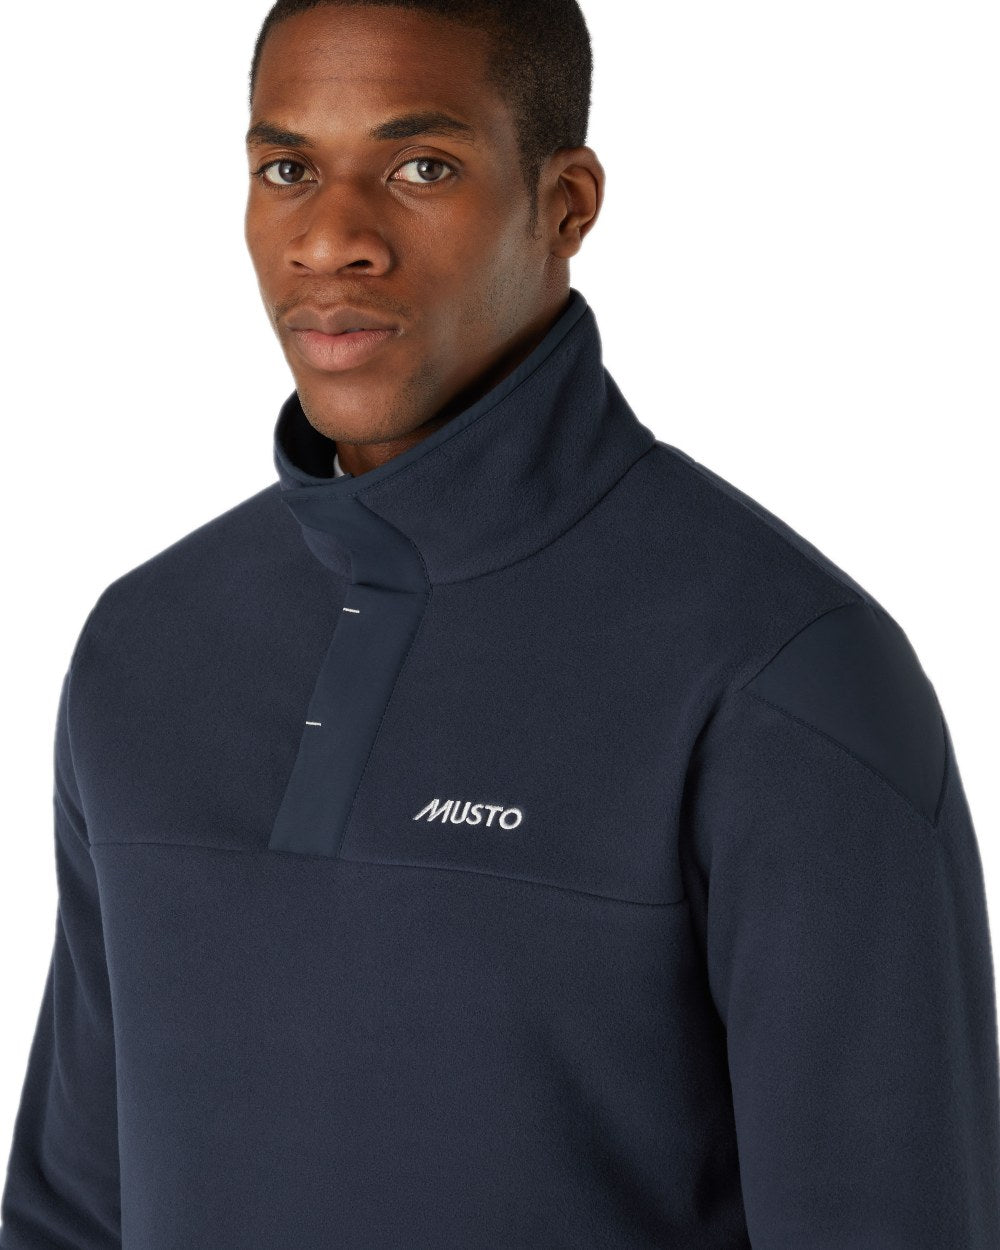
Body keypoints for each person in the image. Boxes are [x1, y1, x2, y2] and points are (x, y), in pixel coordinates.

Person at [1, 1, 998, 1246]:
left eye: (422, 167)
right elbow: (71, 1209)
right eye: (288, 170)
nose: (331, 238)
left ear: (565, 204)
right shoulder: (146, 641)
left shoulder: (782, 676)